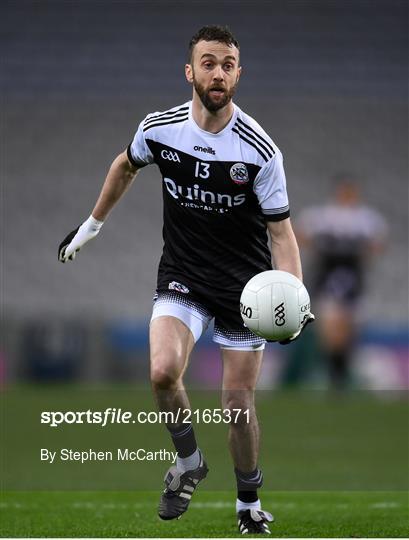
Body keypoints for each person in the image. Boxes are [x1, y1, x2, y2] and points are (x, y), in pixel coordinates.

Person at [58, 25, 313, 534]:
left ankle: (247, 503)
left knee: (238, 404)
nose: (218, 73)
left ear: (238, 74)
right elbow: (126, 165)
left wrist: (294, 296)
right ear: (190, 71)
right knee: (160, 371)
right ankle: (189, 461)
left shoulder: (261, 151)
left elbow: (281, 233)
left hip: (245, 290)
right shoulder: (159, 129)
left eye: (228, 64)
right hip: (183, 277)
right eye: (209, 62)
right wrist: (92, 224)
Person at [296, 176, 387, 389]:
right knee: (330, 326)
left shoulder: (366, 218)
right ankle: (335, 375)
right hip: (328, 276)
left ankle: (340, 373)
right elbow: (301, 235)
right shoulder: (322, 216)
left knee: (349, 327)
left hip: (353, 278)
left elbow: (378, 245)